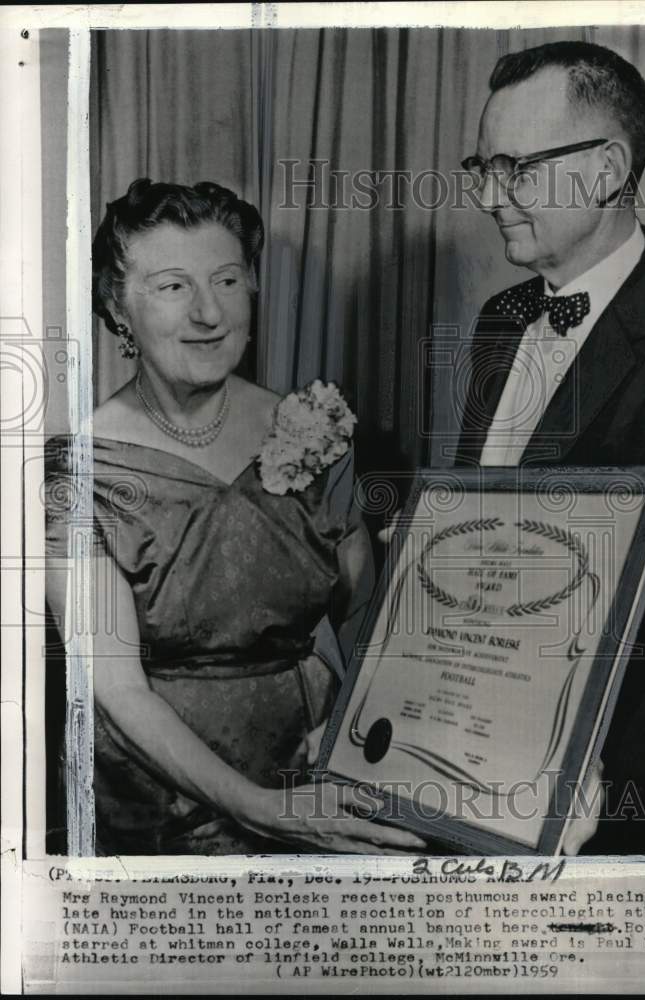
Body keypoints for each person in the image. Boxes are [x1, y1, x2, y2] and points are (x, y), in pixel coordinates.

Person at [44, 178, 426, 856]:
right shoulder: (80, 472)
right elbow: (118, 688)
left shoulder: (315, 428)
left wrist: (351, 724)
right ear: (117, 305)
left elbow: (364, 612)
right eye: (172, 287)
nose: (208, 313)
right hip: (165, 800)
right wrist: (260, 808)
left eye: (226, 280)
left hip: (316, 770)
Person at [455, 41, 645, 855]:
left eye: (515, 169)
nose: (489, 197)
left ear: (606, 169)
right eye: (481, 169)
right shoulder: (500, 319)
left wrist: (601, 776)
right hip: (477, 769)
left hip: (632, 813)